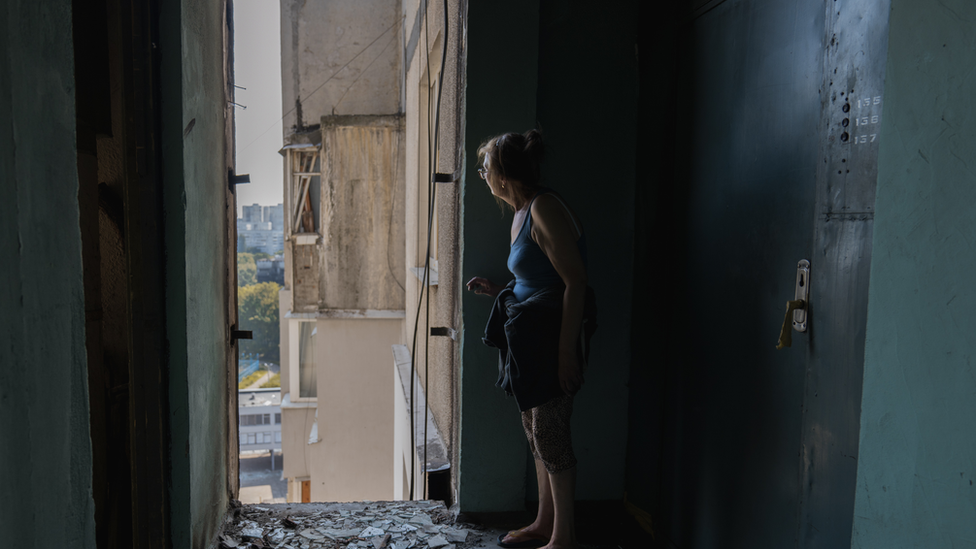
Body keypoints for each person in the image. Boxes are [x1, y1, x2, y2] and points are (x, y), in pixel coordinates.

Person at [466, 130, 594, 549]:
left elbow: (575, 282)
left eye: (485, 168)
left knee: (552, 434)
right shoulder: (521, 213)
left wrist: (565, 354)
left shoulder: (544, 209)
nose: (482, 175)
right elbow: (538, 276)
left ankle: (564, 538)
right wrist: (498, 288)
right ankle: (544, 523)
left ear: (502, 174)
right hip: (530, 339)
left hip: (552, 339)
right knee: (537, 433)